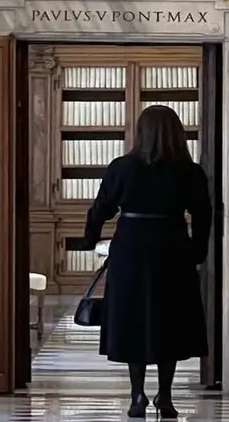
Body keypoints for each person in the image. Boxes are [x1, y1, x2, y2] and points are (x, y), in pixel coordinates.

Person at [82, 104, 213, 419]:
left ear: (141, 132)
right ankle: (165, 397)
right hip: (173, 248)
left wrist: (89, 240)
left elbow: (101, 207)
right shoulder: (189, 170)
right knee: (171, 321)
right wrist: (198, 250)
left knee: (133, 319)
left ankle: (137, 395)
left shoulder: (122, 167)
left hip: (131, 248)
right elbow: (203, 213)